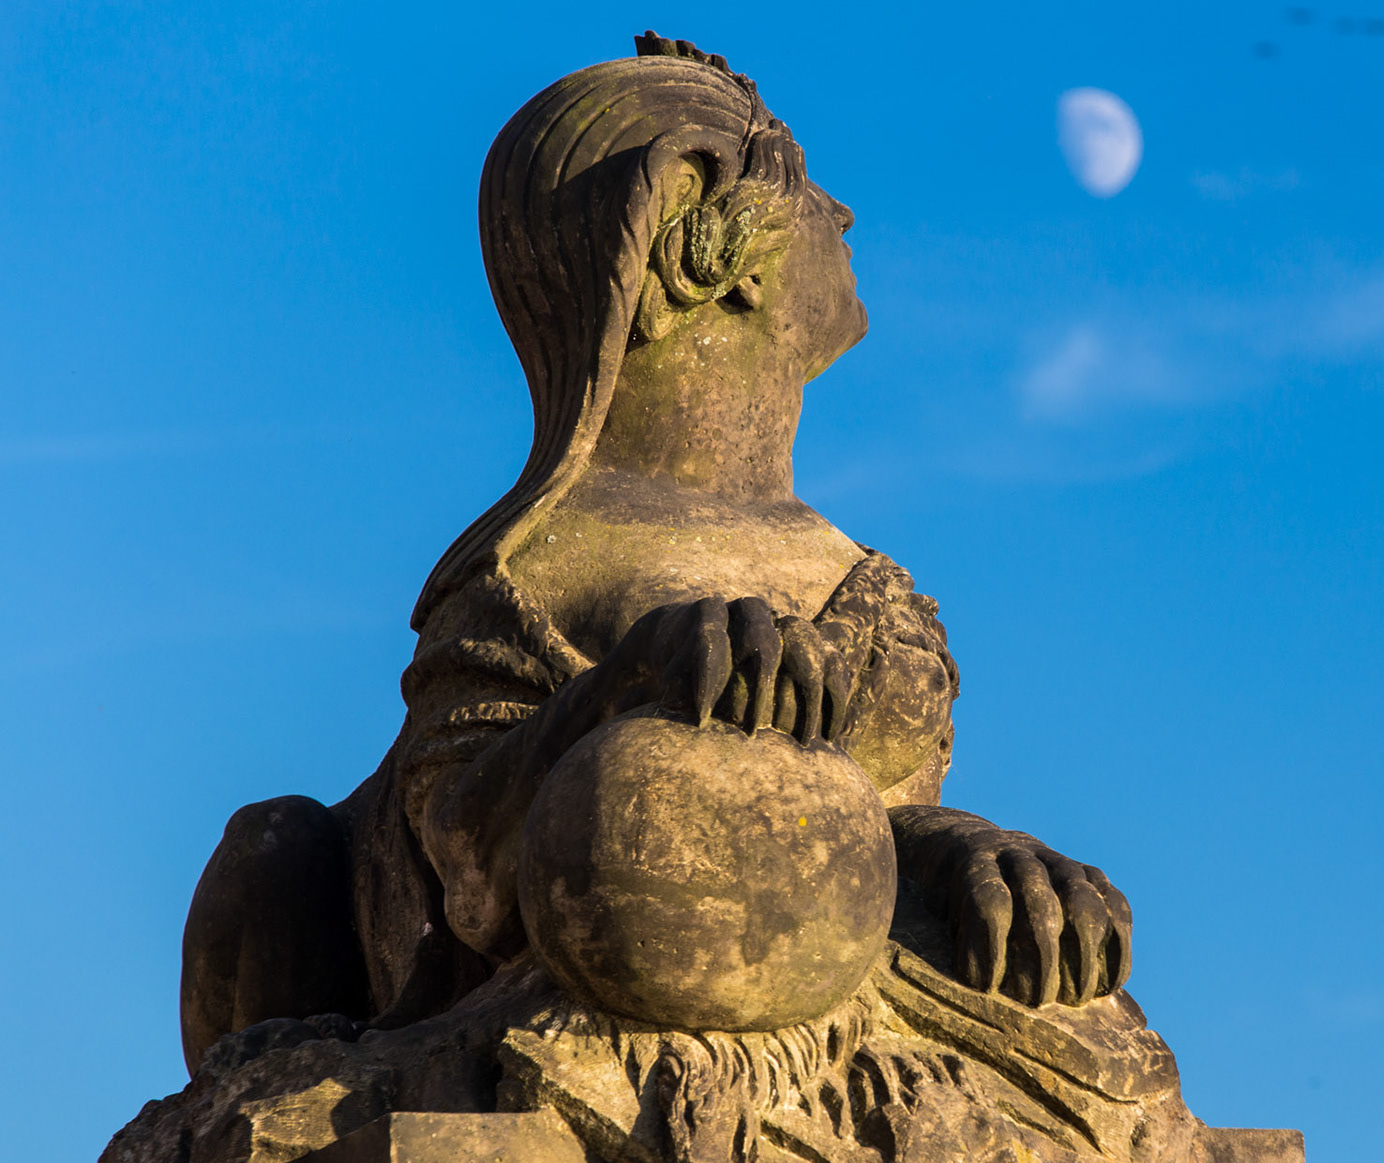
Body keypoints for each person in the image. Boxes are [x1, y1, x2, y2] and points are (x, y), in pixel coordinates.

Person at [179, 34, 1131, 1072]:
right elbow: (475, 864)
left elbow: (861, 822)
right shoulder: (528, 578)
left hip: (804, 967)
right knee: (272, 848)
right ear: (700, 238)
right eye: (799, 178)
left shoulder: (869, 588)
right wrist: (626, 679)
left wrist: (966, 847)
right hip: (523, 991)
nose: (840, 214)